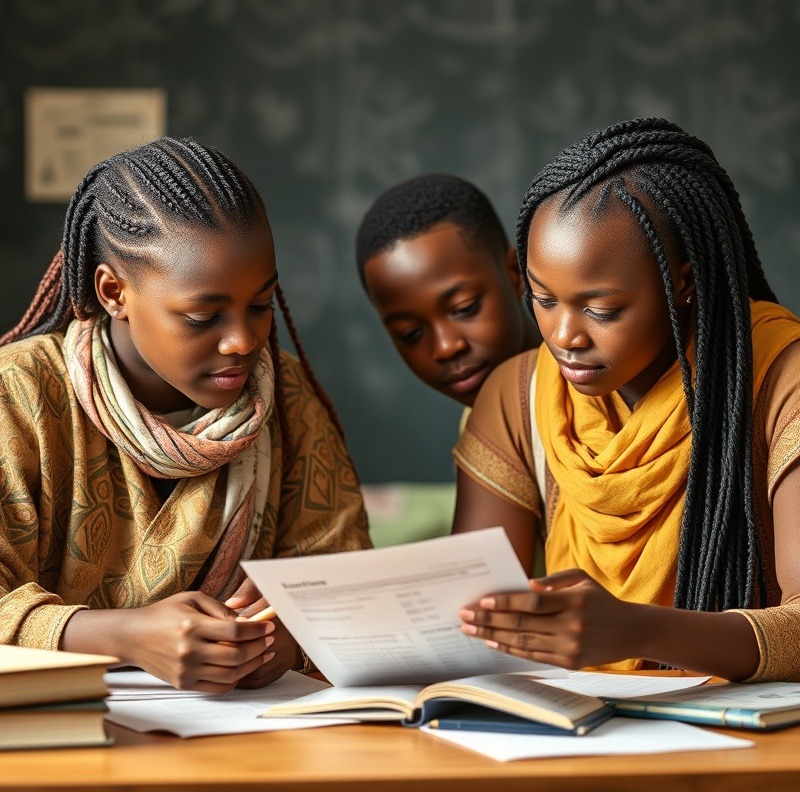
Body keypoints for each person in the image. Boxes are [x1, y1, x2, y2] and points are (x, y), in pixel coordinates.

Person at [0, 136, 370, 692]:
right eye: (203, 318)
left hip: (251, 743)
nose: (244, 341)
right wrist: (122, 635)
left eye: (261, 305)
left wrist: (289, 639)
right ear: (112, 292)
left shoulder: (288, 400)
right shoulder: (19, 393)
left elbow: (350, 586)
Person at [453, 117, 800, 682]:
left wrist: (635, 629)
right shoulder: (520, 395)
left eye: (601, 310)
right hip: (569, 735)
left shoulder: (781, 378)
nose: (564, 336)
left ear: (682, 282)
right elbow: (465, 616)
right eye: (542, 299)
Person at [356, 174, 541, 411]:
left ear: (515, 274)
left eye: (465, 308)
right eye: (410, 333)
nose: (445, 347)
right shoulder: (480, 428)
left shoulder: (594, 399)